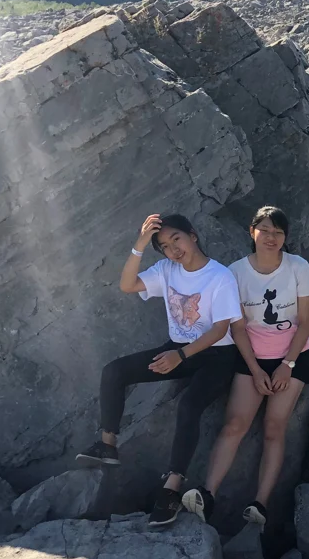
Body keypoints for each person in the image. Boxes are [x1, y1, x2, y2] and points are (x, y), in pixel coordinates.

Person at [77, 213, 242, 529]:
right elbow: (127, 285)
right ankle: (108, 444)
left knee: (189, 406)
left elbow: (221, 329)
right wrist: (140, 245)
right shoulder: (167, 270)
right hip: (178, 348)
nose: (173, 249)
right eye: (164, 246)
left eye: (176, 239)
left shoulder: (220, 276)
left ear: (192, 235)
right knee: (114, 372)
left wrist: (180, 356)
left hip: (217, 355)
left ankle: (171, 490)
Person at [181, 206, 309, 530]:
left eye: (278, 232)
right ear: (252, 231)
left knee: (274, 427)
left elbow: (306, 322)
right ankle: (207, 493)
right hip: (251, 357)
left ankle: (260, 504)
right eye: (265, 230)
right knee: (235, 424)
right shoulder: (236, 273)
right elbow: (238, 327)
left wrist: (287, 365)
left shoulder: (298, 267)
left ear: (285, 237)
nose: (271, 237)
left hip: (292, 357)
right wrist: (255, 370)